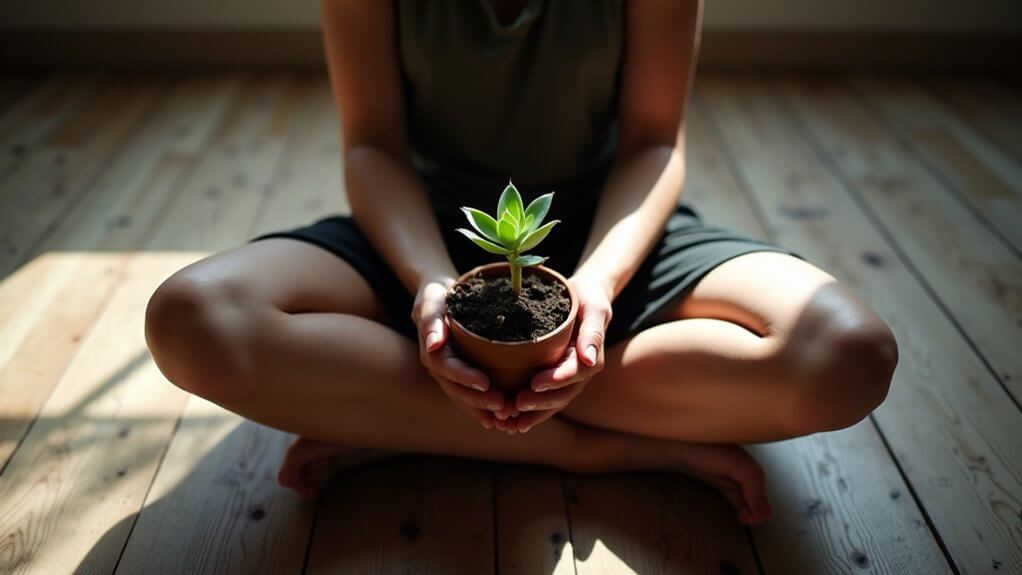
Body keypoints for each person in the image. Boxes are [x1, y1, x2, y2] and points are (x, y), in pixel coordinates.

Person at [144, 0, 898, 526]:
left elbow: (652, 144)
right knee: (190, 319)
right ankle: (585, 447)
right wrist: (433, 286)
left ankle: (406, 417)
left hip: (611, 229)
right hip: (423, 231)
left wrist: (597, 290)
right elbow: (373, 146)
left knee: (848, 355)